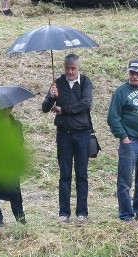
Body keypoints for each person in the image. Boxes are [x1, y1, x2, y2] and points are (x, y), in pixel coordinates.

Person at [41, 53, 93, 224]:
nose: (70, 72)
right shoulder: (57, 83)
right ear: (64, 68)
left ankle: (82, 212)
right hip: (64, 135)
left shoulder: (85, 82)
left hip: (82, 134)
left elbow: (85, 103)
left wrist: (64, 109)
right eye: (67, 68)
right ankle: (64, 212)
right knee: (64, 174)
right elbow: (45, 108)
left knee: (82, 174)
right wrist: (51, 96)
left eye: (73, 68)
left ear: (78, 68)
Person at [107, 58, 138, 223]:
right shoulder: (121, 91)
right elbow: (113, 118)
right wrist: (123, 137)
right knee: (125, 179)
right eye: (131, 73)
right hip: (131, 141)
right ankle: (126, 214)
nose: (134, 76)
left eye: (137, 73)